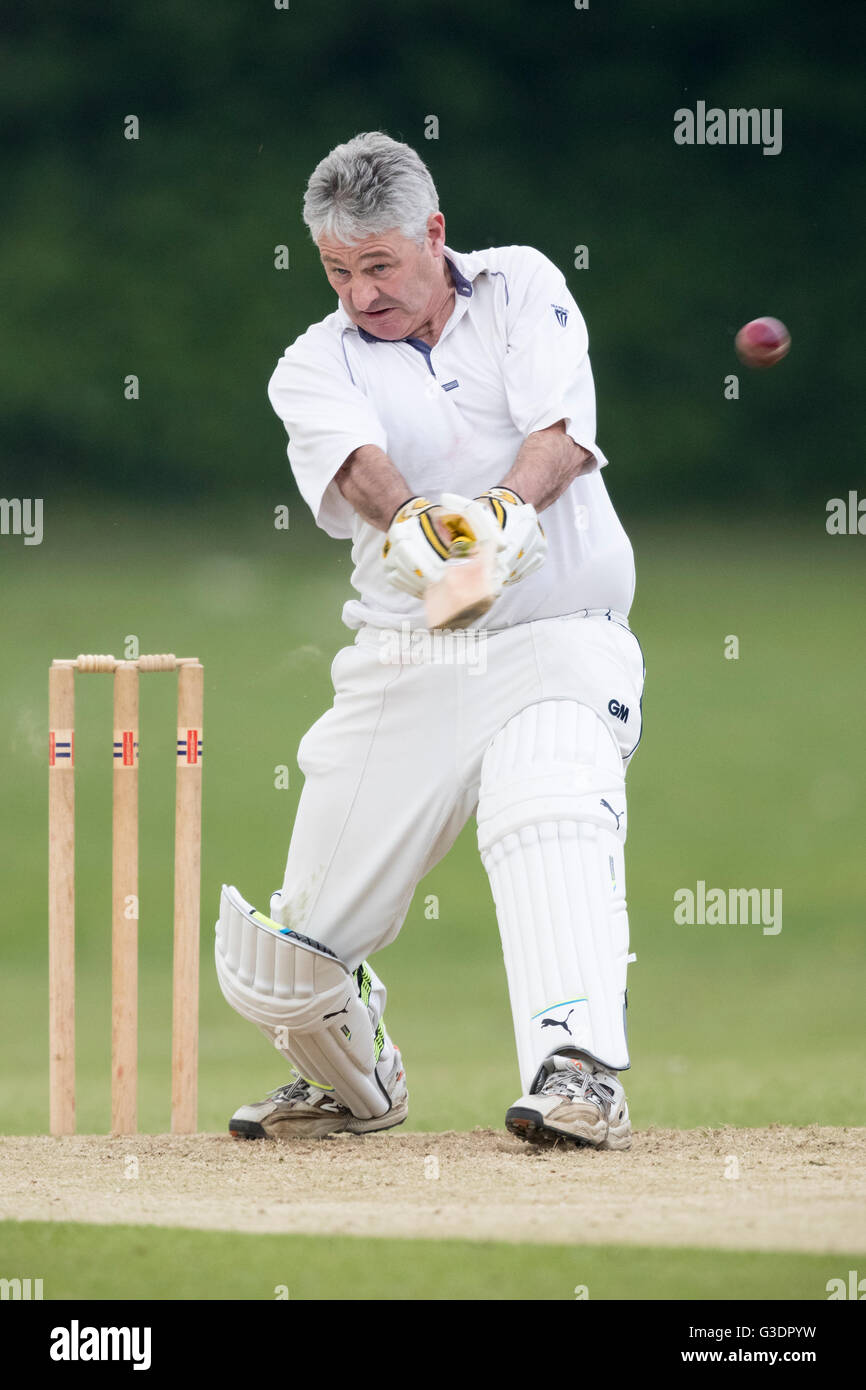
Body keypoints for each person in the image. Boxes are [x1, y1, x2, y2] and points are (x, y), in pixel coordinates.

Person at [214, 131, 645, 1151]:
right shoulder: (310, 365)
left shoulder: (519, 286)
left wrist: (500, 515)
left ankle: (577, 1072)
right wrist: (415, 524)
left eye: (378, 265)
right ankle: (352, 1084)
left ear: (432, 235)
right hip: (406, 657)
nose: (359, 292)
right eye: (335, 269)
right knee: (288, 962)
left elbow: (562, 434)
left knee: (545, 810)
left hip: (556, 634)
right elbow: (359, 468)